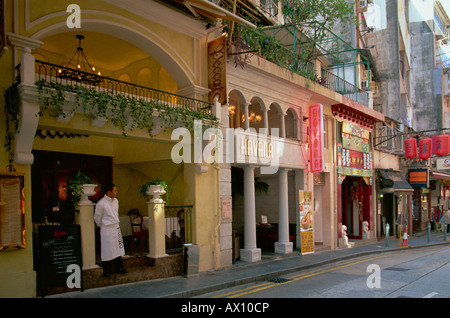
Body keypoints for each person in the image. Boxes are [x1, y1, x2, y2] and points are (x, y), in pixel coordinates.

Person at [94, 183, 128, 277]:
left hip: (115, 227)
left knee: (117, 248)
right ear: (109, 192)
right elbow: (97, 217)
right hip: (107, 228)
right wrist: (102, 226)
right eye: (115, 191)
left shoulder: (116, 201)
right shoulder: (101, 203)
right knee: (107, 249)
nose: (116, 192)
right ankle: (107, 270)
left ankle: (119, 267)